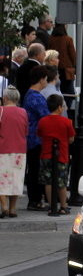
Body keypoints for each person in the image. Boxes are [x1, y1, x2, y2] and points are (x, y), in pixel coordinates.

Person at [37, 94, 75, 216]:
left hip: (46, 155)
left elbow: (40, 135)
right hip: (62, 155)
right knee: (62, 182)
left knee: (48, 182)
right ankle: (63, 206)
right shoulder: (66, 122)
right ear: (59, 107)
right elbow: (71, 139)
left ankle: (51, 205)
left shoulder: (42, 121)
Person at [22, 66, 50, 211]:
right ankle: (36, 200)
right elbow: (45, 117)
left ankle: (35, 199)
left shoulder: (29, 94)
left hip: (32, 137)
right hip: (36, 138)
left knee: (34, 169)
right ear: (41, 79)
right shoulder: (36, 97)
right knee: (36, 170)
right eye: (45, 78)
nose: (46, 81)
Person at [0, 87, 28, 218]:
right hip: (19, 150)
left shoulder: (0, 111)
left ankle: (4, 206)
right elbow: (25, 130)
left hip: (3, 148)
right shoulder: (23, 112)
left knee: (2, 179)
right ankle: (12, 209)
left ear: (5, 98)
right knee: (16, 179)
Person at [47, 23, 76, 114]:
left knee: (58, 90)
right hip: (67, 70)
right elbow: (73, 56)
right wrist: (75, 67)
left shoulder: (50, 39)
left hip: (54, 69)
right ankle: (65, 109)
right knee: (69, 92)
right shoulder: (68, 39)